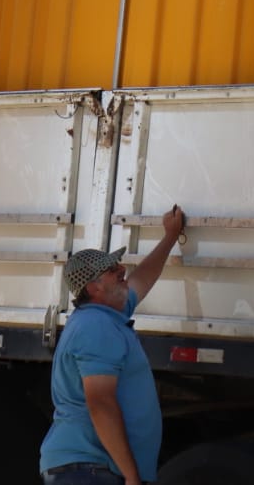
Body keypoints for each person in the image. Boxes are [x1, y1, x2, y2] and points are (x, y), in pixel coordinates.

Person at [39, 205, 188, 485]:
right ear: (94, 288)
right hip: (90, 470)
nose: (121, 270)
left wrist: (170, 237)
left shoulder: (106, 316)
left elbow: (141, 278)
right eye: (111, 270)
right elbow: (101, 403)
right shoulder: (97, 326)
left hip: (90, 469)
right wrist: (132, 478)